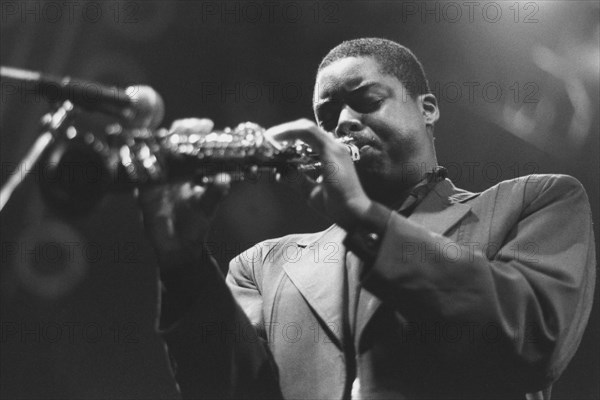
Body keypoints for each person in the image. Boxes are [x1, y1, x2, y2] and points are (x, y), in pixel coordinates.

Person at [139, 38, 596, 399]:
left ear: (427, 109)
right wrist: (182, 264)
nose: (343, 122)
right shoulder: (262, 266)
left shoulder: (537, 202)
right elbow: (228, 392)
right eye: (327, 115)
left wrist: (362, 217)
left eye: (366, 100)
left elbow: (534, 341)